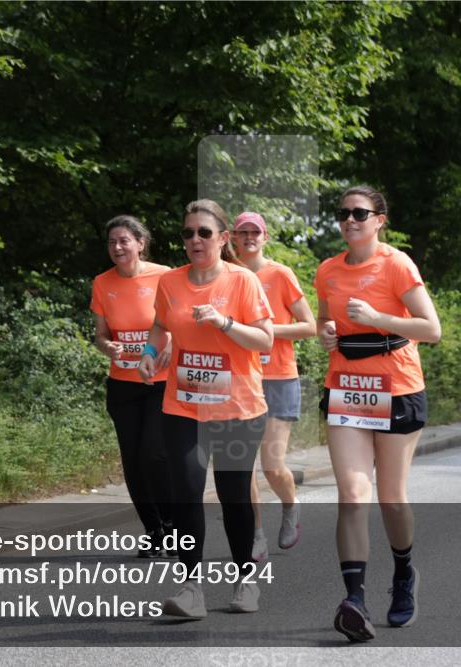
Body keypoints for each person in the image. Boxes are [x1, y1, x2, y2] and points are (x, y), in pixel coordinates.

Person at [314, 186, 441, 641]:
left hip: (397, 385)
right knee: (351, 494)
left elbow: (431, 329)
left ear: (379, 219)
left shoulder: (396, 264)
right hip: (348, 385)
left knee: (391, 498)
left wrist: (378, 316)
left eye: (360, 213)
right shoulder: (327, 270)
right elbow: (324, 321)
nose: (350, 220)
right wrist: (327, 333)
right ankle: (355, 601)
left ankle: (404, 573)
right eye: (344, 213)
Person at [138, 199, 273, 618]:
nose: (194, 240)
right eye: (187, 233)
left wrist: (223, 323)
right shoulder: (171, 282)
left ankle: (245, 579)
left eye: (204, 233)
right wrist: (150, 351)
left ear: (223, 238)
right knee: (186, 495)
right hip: (183, 405)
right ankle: (191, 587)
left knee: (234, 497)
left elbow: (265, 340)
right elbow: (161, 323)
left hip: (238, 408)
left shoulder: (243, 281)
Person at [231, 211, 316, 561]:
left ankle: (291, 503)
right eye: (242, 232)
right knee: (242, 466)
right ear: (232, 238)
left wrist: (264, 331)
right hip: (237, 380)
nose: (249, 237)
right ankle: (256, 536)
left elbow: (309, 325)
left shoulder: (280, 274)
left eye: (256, 231)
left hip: (278, 378)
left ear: (265, 237)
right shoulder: (226, 276)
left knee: (271, 465)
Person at [90, 216, 174, 557]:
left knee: (154, 453)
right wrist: (106, 346)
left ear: (141, 243)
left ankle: (172, 524)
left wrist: (169, 346)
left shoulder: (165, 276)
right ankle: (152, 529)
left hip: (160, 381)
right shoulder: (102, 283)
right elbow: (100, 334)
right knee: (133, 461)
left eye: (124, 240)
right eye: (112, 242)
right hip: (122, 384)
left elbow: (176, 322)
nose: (118, 248)